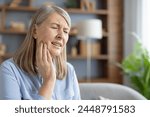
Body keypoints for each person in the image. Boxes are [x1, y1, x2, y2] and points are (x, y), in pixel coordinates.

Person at [0, 3, 81, 100]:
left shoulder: (69, 71)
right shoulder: (9, 70)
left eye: (66, 31)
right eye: (55, 27)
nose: (61, 36)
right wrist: (48, 82)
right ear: (34, 31)